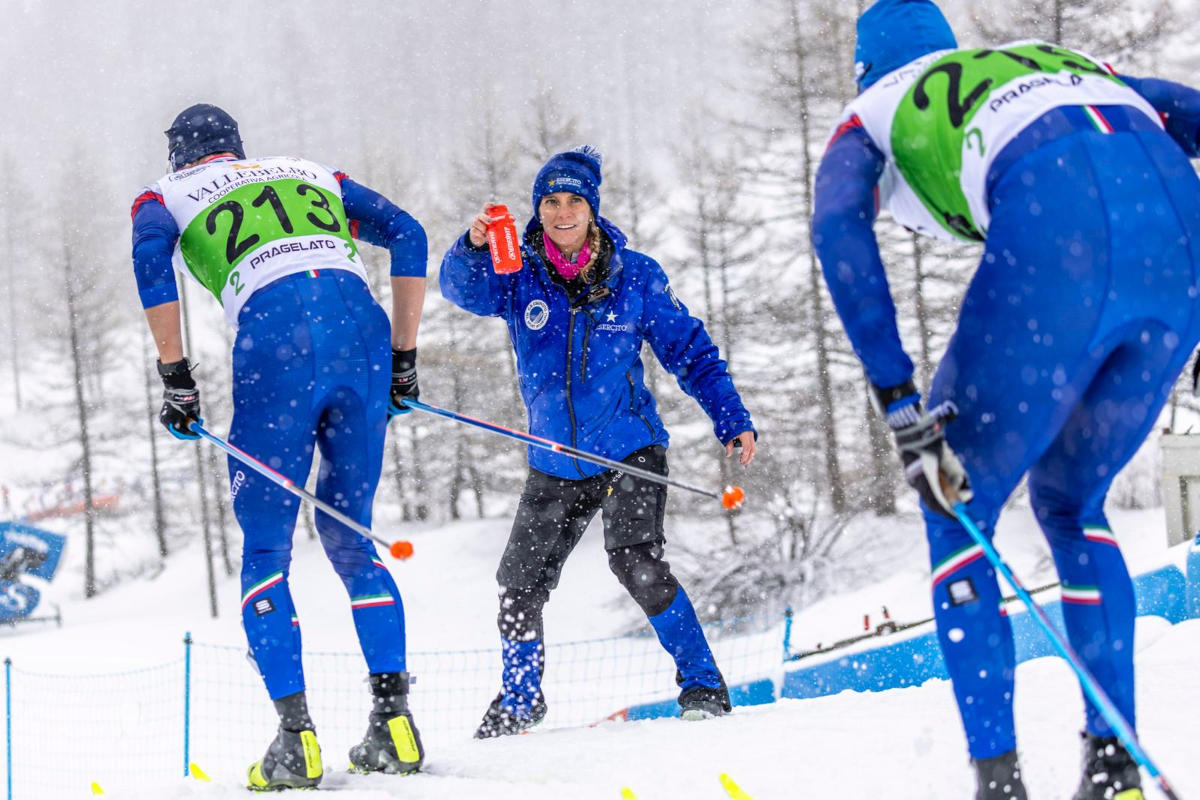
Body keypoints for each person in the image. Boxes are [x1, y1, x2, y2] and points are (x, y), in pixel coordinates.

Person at [812, 2, 1200, 798]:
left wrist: (898, 397)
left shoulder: (872, 111)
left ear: (864, 68)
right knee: (1072, 502)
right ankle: (1113, 766)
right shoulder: (1052, 63)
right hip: (1181, 253)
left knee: (956, 505)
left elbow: (835, 230)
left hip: (1057, 235)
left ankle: (999, 782)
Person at [130, 104, 429, 790]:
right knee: (352, 537)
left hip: (277, 340)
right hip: (361, 332)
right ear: (238, 149)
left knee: (267, 547)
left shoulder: (163, 196)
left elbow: (151, 261)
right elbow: (407, 231)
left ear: (180, 157)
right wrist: (404, 357)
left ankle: (296, 740)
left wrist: (176, 377)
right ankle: (396, 722)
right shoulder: (313, 172)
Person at [440, 146, 757, 737]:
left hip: (627, 447)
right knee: (519, 583)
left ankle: (703, 684)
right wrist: (472, 243)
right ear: (538, 211)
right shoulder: (516, 275)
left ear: (592, 209)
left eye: (574, 201)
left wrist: (730, 416)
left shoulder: (634, 275)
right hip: (554, 457)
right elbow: (459, 289)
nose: (562, 213)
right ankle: (520, 699)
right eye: (550, 202)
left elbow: (690, 350)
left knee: (637, 562)